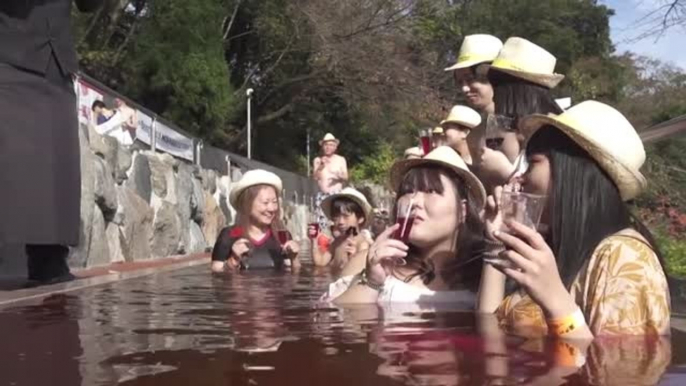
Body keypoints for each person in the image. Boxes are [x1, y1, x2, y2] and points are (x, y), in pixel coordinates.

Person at [477, 101, 671, 338]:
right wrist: (496, 240)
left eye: (532, 164)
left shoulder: (624, 255)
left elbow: (625, 370)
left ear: (570, 169)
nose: (519, 178)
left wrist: (557, 303)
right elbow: (488, 328)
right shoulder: (558, 251)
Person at [0, 0, 104, 285]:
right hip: (10, 55)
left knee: (59, 163)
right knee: (11, 161)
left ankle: (50, 258)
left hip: (57, 63)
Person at [326, 146, 487, 304]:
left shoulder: (485, 273)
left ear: (463, 210)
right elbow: (334, 324)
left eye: (431, 191)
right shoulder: (367, 262)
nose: (414, 201)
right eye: (408, 191)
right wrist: (371, 282)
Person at [480, 37, 565, 191]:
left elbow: (556, 193)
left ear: (513, 90)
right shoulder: (498, 123)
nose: (494, 96)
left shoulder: (556, 131)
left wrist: (508, 174)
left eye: (498, 86)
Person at [211, 170, 300, 272]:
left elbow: (294, 275)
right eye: (265, 203)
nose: (271, 209)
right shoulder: (230, 235)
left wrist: (294, 258)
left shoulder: (281, 235)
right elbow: (216, 275)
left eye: (274, 202)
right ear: (247, 204)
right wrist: (233, 260)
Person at [445, 34, 503, 168]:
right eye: (460, 82)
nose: (464, 88)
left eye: (471, 79)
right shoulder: (475, 136)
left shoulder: (523, 126)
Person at [312, 187, 373, 272]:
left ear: (360, 218)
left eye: (346, 216)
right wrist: (314, 239)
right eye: (336, 217)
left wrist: (354, 260)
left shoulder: (362, 244)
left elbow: (360, 274)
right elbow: (320, 263)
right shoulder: (337, 242)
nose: (340, 222)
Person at [313, 133, 348, 233]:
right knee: (321, 223)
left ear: (335, 147)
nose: (328, 147)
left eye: (331, 145)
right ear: (322, 146)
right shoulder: (317, 160)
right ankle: (322, 245)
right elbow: (315, 177)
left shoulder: (341, 160)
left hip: (336, 194)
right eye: (326, 145)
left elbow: (345, 176)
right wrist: (321, 166)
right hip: (322, 195)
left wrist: (337, 176)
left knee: (337, 220)